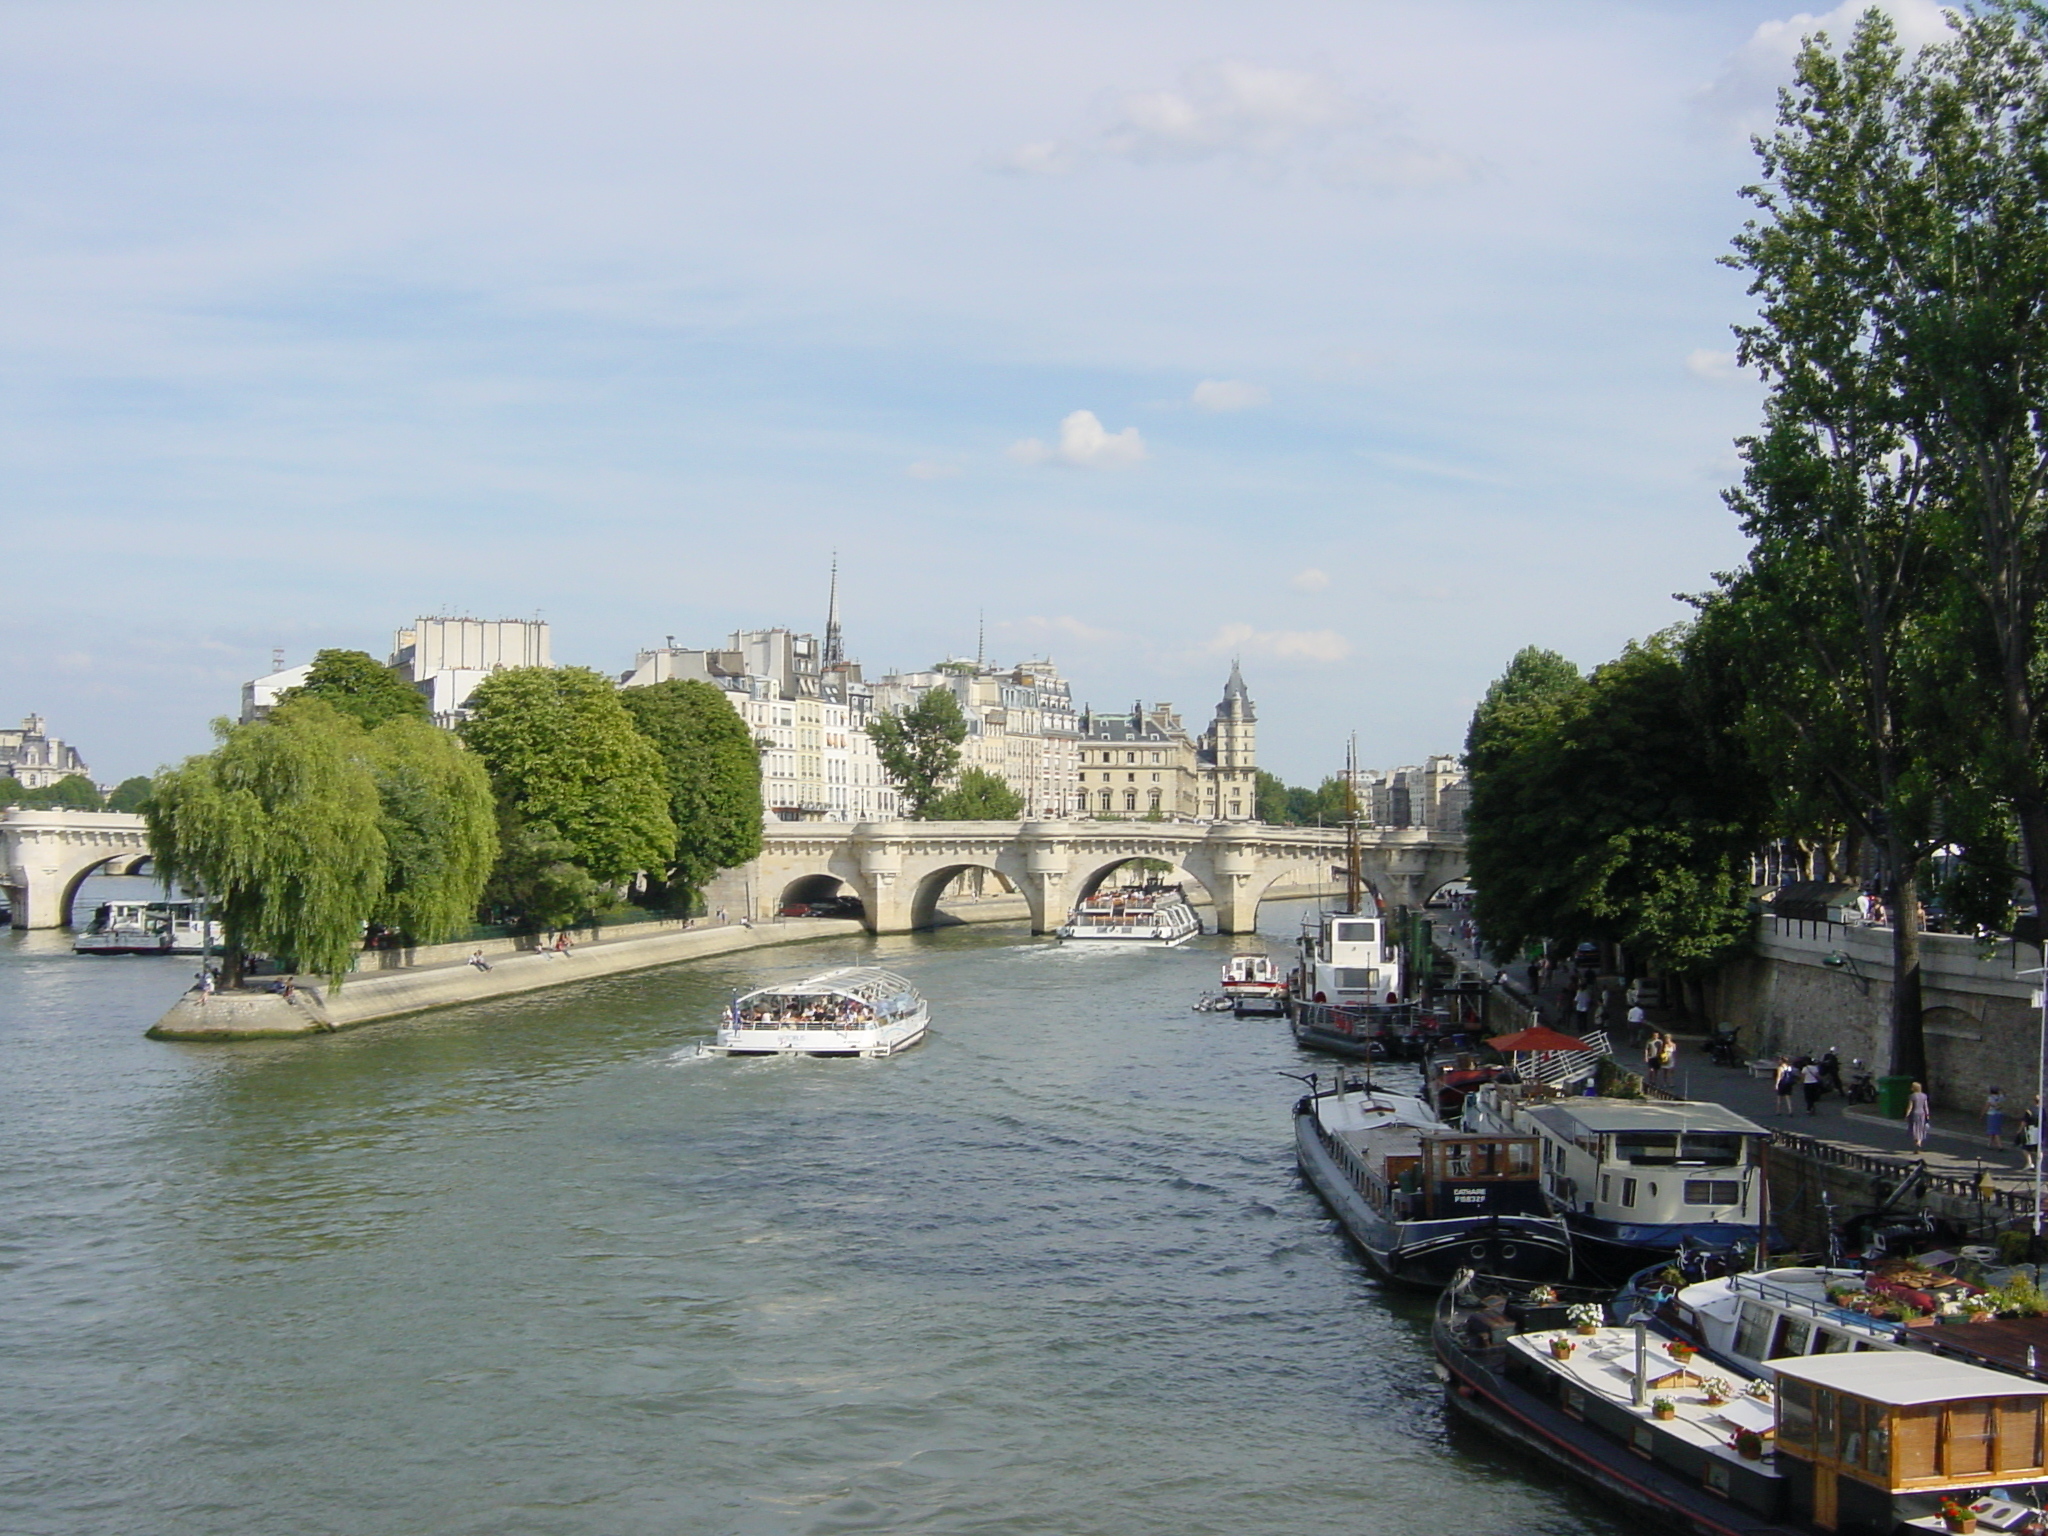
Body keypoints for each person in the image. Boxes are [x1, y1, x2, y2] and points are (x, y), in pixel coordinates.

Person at [1907, 1081, 1932, 1149]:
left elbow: (1910, 1107)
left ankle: (1916, 1141)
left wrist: (1907, 1114)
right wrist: (1927, 1115)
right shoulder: (1924, 1096)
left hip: (1914, 1114)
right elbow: (1926, 1106)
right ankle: (1919, 1141)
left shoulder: (1912, 1096)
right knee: (1921, 1127)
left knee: (1915, 1127)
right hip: (1922, 1114)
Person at [1988, 1085, 2007, 1150]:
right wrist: (2001, 1089)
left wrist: (1981, 1114)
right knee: (1992, 1130)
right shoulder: (2000, 1097)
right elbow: (2005, 1094)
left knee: (1994, 1130)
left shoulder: (1990, 1098)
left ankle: (2000, 1146)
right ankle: (1989, 1144)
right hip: (1999, 1114)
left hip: (1992, 1115)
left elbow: (1988, 1105)